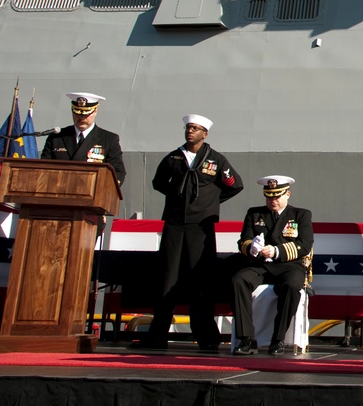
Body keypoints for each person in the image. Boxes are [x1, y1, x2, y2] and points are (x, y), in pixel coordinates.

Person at [133, 114, 243, 352]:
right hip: (174, 224)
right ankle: (157, 335)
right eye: (188, 128)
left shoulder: (215, 159)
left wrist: (209, 201)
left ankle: (206, 336)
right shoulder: (174, 157)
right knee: (167, 278)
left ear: (205, 134)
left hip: (201, 228)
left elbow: (235, 184)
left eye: (195, 129)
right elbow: (158, 182)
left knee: (201, 279)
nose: (190, 132)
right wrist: (177, 198)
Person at [231, 175, 314, 356]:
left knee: (292, 286)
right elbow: (243, 241)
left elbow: (304, 244)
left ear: (288, 194)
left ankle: (278, 339)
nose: (273, 200)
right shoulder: (254, 213)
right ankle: (246, 338)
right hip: (260, 265)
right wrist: (251, 248)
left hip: (289, 265)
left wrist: (276, 251)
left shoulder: (300, 215)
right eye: (269, 196)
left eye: (277, 196)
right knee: (239, 280)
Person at [41, 92, 126, 185]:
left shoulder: (109, 139)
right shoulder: (56, 137)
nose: (81, 117)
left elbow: (118, 172)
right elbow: (44, 168)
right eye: (77, 112)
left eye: (86, 114)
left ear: (95, 111)